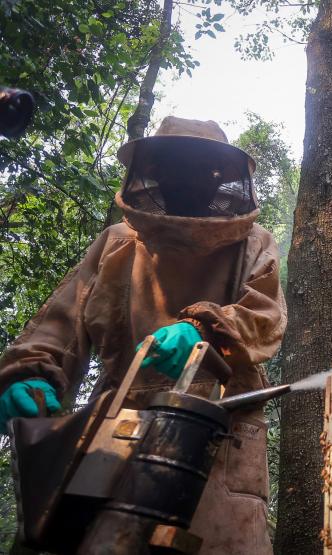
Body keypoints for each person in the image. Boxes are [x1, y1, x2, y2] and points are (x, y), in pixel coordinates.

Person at [0, 117, 286, 554]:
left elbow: (264, 315)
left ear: (220, 178)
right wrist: (29, 373)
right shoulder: (116, 242)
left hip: (219, 430)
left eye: (202, 170)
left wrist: (203, 330)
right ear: (155, 172)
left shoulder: (254, 243)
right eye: (176, 166)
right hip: (117, 429)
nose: (188, 179)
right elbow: (61, 324)